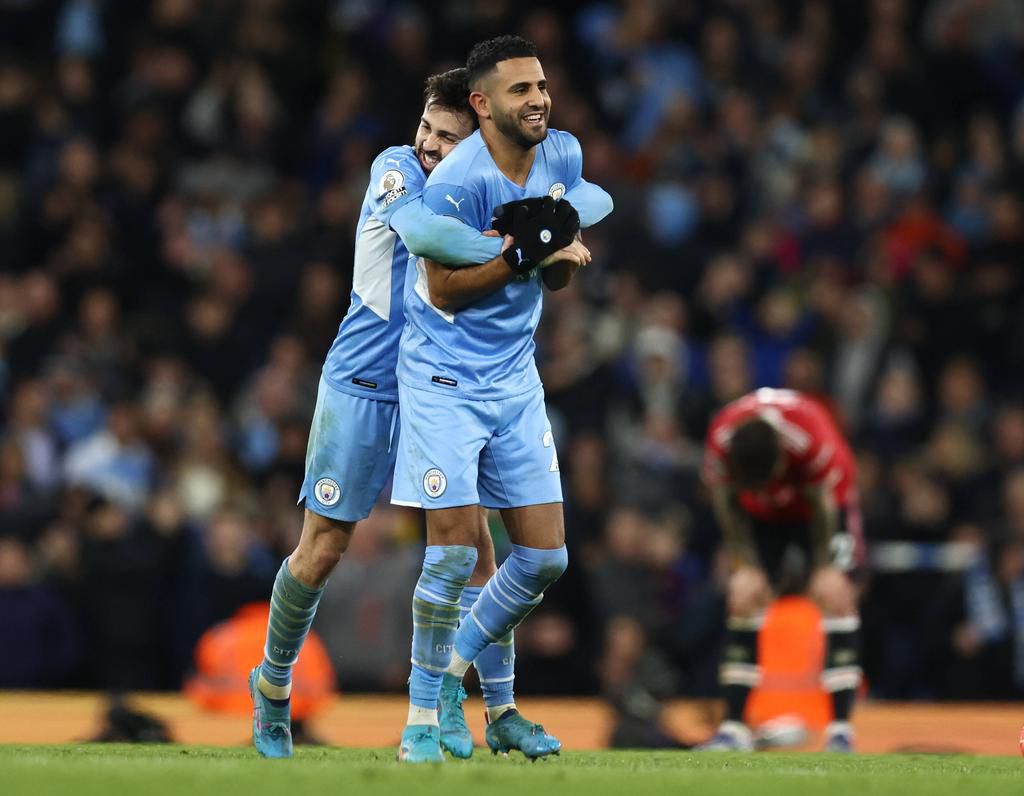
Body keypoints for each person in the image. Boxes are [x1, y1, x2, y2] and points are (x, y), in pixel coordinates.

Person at [249, 69, 515, 759]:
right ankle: (274, 686)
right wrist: (516, 242)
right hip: (361, 383)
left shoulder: (486, 186)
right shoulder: (395, 169)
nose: (427, 142)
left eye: (445, 136)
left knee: (473, 549)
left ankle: (463, 703)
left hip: (438, 387)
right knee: (323, 550)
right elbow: (429, 236)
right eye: (426, 127)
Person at [389, 35, 613, 763]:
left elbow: (556, 275)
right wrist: (524, 251)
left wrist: (553, 253)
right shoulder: (457, 180)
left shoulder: (563, 158)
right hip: (443, 379)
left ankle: (456, 678)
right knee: (454, 555)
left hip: (514, 379)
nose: (539, 99)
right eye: (520, 90)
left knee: (545, 558)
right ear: (483, 105)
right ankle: (422, 719)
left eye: (541, 85)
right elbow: (442, 288)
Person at [700, 388, 864, 753]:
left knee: (836, 596)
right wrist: (747, 564)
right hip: (762, 519)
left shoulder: (808, 436)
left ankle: (840, 731)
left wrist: (824, 566)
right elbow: (725, 499)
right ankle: (734, 728)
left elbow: (823, 500)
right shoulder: (721, 443)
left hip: (822, 504)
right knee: (744, 597)